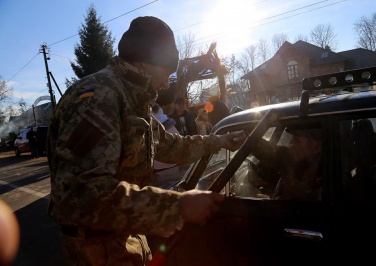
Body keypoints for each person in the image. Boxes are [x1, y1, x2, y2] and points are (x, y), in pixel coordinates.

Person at [46, 16, 246, 266]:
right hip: (97, 252)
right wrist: (178, 207)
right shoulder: (100, 97)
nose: (165, 84)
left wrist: (219, 141)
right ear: (147, 61)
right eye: (166, 72)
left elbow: (172, 146)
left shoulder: (132, 101)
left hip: (125, 240)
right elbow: (81, 195)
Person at [251, 127, 322, 201]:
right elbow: (269, 152)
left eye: (297, 141)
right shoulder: (291, 159)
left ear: (317, 147)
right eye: (292, 138)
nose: (291, 144)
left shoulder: (316, 178)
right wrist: (248, 139)